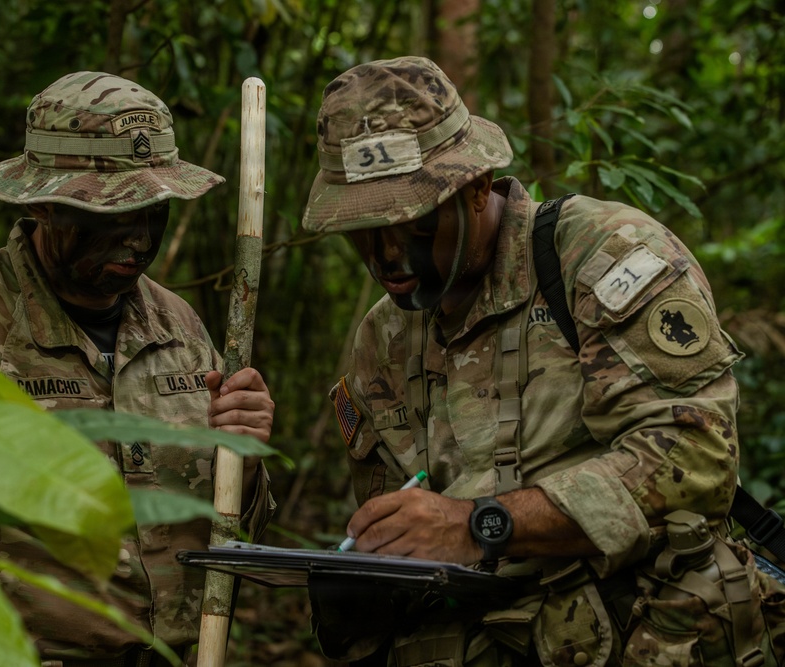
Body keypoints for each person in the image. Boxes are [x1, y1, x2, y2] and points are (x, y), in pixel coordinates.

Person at [302, 56, 784, 666]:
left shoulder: (597, 256)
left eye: (415, 224)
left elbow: (696, 457)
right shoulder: (383, 340)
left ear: (477, 188)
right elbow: (394, 525)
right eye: (364, 228)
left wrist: (480, 525)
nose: (387, 255)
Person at [0, 71, 276, 666]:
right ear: (45, 204)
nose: (140, 239)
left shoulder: (181, 329)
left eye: (156, 212)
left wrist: (244, 464)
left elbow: (224, 536)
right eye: (114, 215)